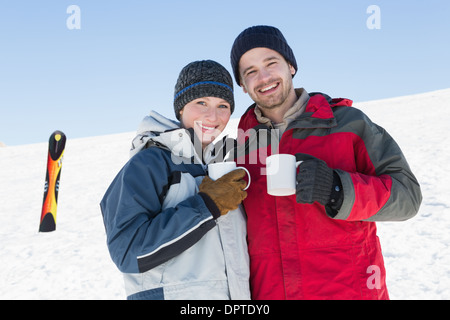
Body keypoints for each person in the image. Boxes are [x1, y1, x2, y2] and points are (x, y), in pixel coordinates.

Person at [230, 25, 423, 300]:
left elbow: (408, 196)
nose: (263, 77)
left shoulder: (349, 124)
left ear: (291, 66)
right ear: (242, 85)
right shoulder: (240, 152)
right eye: (250, 72)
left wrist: (337, 189)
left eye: (271, 63)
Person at [100, 60, 250, 300]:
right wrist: (207, 206)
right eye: (201, 102)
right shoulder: (150, 163)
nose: (213, 115)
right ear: (181, 107)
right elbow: (128, 252)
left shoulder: (223, 168)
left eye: (222, 105)